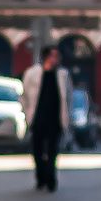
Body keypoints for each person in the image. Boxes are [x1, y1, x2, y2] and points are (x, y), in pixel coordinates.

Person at [25, 45, 73, 192]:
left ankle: (51, 180)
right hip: (38, 119)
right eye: (53, 55)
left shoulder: (63, 74)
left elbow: (68, 96)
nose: (56, 59)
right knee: (38, 151)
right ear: (46, 56)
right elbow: (25, 94)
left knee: (52, 152)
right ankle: (41, 178)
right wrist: (27, 114)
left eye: (57, 56)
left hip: (55, 120)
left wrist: (66, 117)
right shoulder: (33, 73)